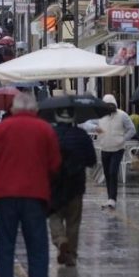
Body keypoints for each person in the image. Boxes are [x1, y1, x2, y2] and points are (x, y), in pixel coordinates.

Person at [0, 93, 61, 277]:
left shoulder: (0, 129)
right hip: (35, 195)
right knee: (37, 248)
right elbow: (55, 164)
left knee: (5, 247)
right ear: (35, 109)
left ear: (14, 109)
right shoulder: (45, 129)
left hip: (5, 195)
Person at [48, 107, 96, 267]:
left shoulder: (50, 134)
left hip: (55, 185)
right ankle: (71, 255)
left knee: (54, 216)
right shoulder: (81, 135)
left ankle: (60, 239)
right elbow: (92, 160)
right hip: (76, 185)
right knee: (73, 222)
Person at [95, 94, 136, 210]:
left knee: (113, 171)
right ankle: (110, 198)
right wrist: (95, 128)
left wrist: (123, 139)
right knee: (107, 173)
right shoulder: (100, 116)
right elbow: (88, 124)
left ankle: (113, 198)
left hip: (118, 149)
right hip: (105, 148)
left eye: (111, 105)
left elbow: (132, 129)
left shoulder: (122, 115)